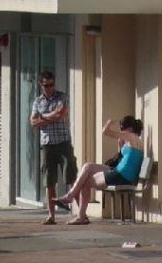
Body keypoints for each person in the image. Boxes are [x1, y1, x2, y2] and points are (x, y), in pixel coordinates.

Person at [55, 115, 144, 225]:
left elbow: (105, 132)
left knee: (85, 182)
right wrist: (120, 145)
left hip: (121, 175)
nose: (121, 131)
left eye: (122, 128)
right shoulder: (137, 140)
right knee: (88, 166)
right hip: (122, 173)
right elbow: (122, 158)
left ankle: (78, 211)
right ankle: (71, 196)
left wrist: (109, 123)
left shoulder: (130, 136)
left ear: (129, 128)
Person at [30, 70, 78, 225]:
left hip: (63, 142)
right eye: (46, 85)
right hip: (47, 144)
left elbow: (61, 115)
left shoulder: (62, 97)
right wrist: (49, 116)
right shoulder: (38, 101)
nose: (49, 88)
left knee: (71, 177)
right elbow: (33, 122)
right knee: (49, 181)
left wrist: (43, 117)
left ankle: (80, 213)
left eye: (51, 85)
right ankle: (51, 216)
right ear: (41, 85)